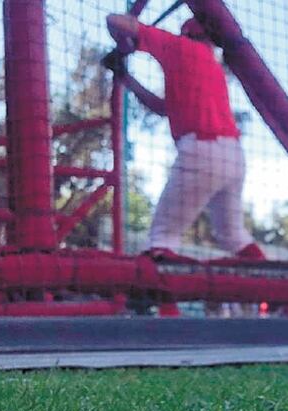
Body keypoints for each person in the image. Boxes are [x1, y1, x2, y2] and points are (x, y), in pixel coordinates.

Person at [104, 14, 265, 262]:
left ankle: (167, 301)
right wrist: (126, 77)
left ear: (187, 33)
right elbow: (161, 107)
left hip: (202, 151)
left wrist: (128, 45)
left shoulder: (179, 47)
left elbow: (114, 20)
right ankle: (277, 299)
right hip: (233, 156)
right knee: (234, 235)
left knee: (162, 237)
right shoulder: (213, 65)